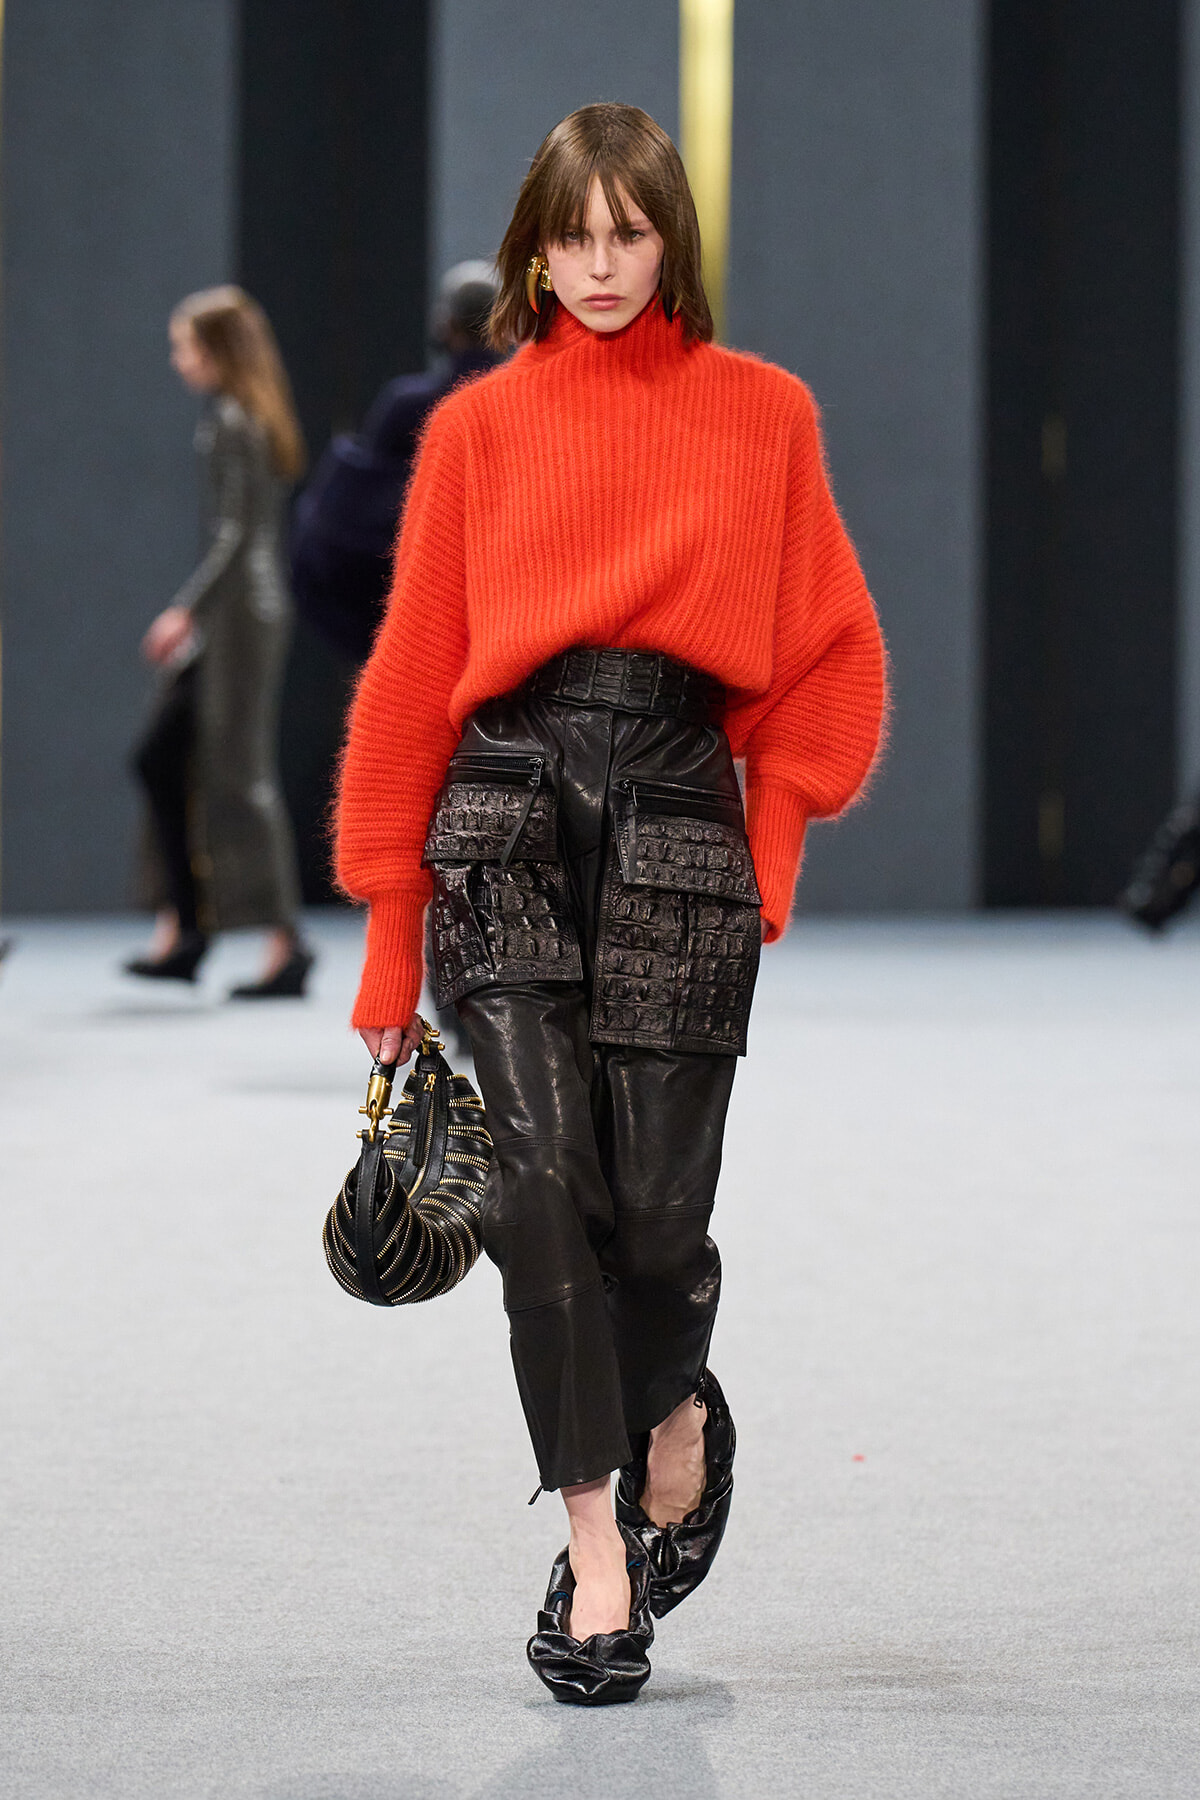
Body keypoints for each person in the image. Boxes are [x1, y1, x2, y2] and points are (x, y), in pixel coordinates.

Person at [335, 103, 886, 1704]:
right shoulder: (475, 431)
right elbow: (415, 677)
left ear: (672, 242)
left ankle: (679, 1416)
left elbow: (830, 647)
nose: (596, 265)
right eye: (568, 235)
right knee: (534, 1199)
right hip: (499, 806)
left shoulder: (763, 414)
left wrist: (771, 830)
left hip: (678, 814)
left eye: (627, 232)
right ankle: (595, 1555)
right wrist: (386, 928)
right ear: (530, 248)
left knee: (657, 1217)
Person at [127, 286, 314, 998]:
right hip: (242, 614)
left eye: (184, 347)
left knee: (238, 775)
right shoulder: (245, 418)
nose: (178, 361)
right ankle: (189, 925)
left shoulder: (235, 421)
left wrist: (186, 610)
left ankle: (281, 941)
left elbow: (237, 538)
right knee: (165, 759)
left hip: (239, 618)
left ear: (214, 351)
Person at [290, 262, 504, 666]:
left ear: (446, 325)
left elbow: (352, 517)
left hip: (418, 605)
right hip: (497, 607)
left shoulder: (407, 405)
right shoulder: (524, 407)